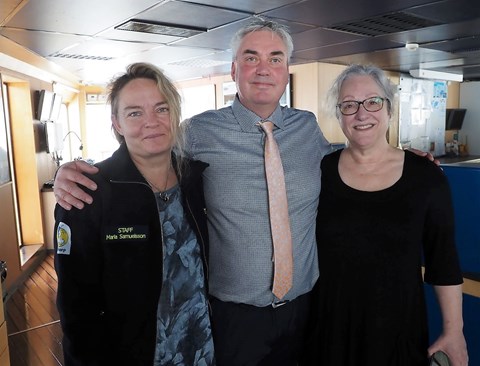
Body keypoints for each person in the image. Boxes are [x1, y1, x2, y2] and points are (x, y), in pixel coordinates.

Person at [51, 18, 438, 366]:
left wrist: (401, 156)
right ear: (235, 69)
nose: (263, 69)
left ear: (287, 72)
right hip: (234, 317)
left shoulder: (308, 129)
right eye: (250, 58)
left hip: (307, 309)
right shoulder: (197, 132)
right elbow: (146, 150)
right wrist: (76, 170)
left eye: (275, 58)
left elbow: (351, 157)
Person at [306, 64, 468, 366]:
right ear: (339, 114)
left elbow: (443, 260)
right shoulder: (319, 171)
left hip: (398, 338)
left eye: (373, 101)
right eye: (349, 105)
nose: (362, 113)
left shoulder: (426, 177)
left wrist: (454, 331)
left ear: (389, 109)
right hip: (328, 336)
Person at [53, 62, 214, 365]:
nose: (151, 122)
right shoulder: (87, 192)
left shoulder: (196, 179)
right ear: (116, 123)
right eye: (135, 113)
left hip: (199, 346)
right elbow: (76, 308)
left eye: (161, 109)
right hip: (131, 354)